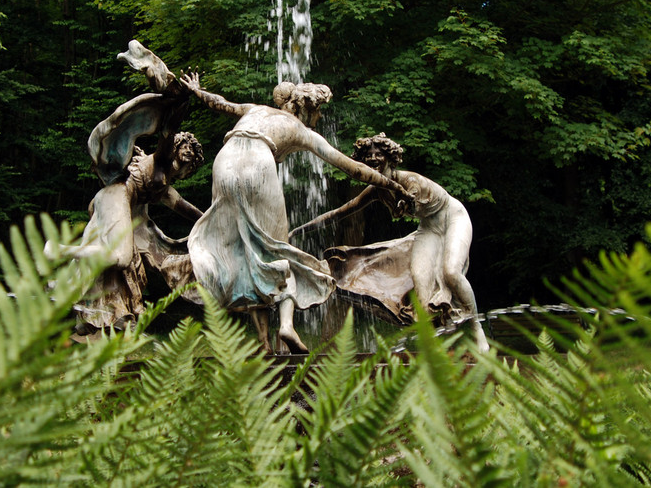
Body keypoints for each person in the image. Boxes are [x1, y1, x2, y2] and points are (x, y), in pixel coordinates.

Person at [179, 73, 410, 353]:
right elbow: (351, 167)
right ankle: (287, 326)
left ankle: (264, 342)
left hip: (224, 162)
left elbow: (220, 103)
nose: (320, 117)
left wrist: (196, 90)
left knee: (245, 250)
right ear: (305, 108)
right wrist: (390, 183)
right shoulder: (299, 128)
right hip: (257, 163)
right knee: (279, 250)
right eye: (319, 111)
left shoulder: (254, 109)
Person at [290, 133, 490, 352]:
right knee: (422, 291)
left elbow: (410, 200)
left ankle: (476, 326)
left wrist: (405, 202)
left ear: (390, 157)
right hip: (428, 228)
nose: (373, 158)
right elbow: (341, 213)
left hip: (453, 218)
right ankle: (435, 348)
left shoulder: (409, 180)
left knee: (451, 272)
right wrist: (300, 229)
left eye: (378, 154)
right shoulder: (376, 191)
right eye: (368, 155)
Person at [49, 132, 204, 331]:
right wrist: (172, 107)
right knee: (122, 258)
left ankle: (109, 314)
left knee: (129, 266)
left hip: (126, 209)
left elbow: (184, 207)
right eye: (185, 146)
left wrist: (209, 222)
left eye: (192, 151)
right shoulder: (157, 161)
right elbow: (166, 134)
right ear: (174, 146)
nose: (189, 152)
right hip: (115, 196)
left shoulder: (165, 186)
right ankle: (59, 250)